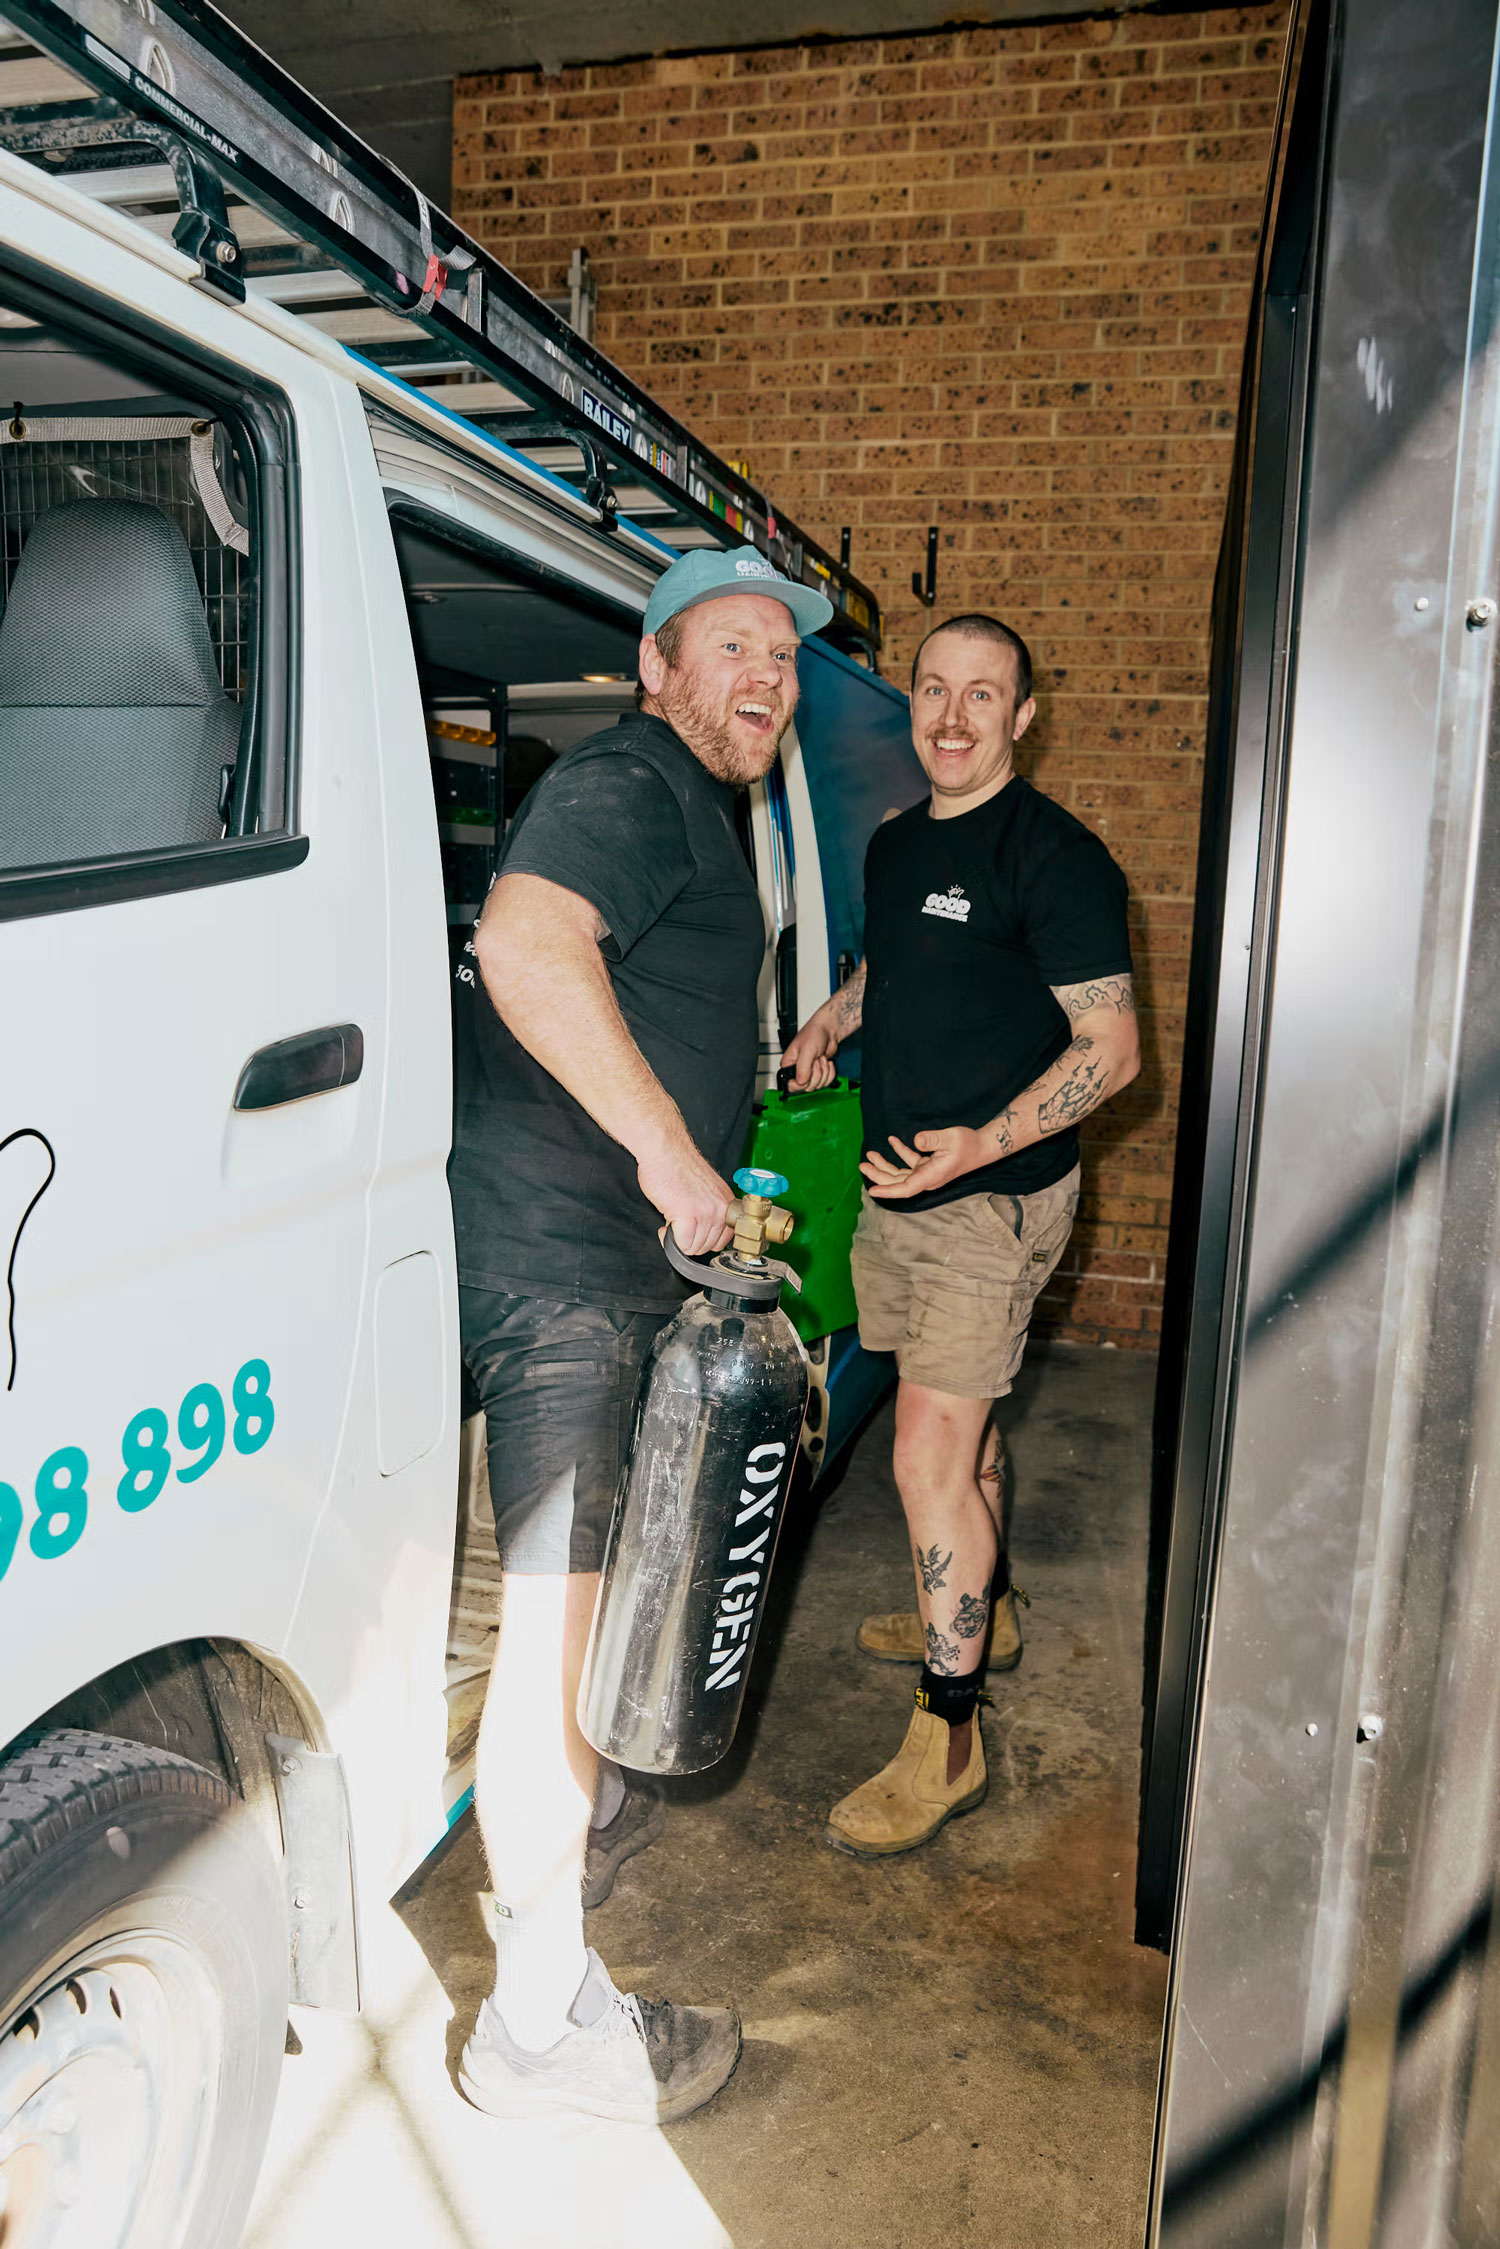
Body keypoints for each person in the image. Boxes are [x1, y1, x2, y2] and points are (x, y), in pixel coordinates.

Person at [449, 545, 832, 2117]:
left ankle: (555, 1845)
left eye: (783, 657)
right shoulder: (636, 778)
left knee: (546, 1639)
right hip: (572, 1286)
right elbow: (526, 945)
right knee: (556, 1653)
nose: (765, 673)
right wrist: (676, 1169)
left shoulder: (701, 809)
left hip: (571, 1264)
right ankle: (536, 2030)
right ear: (655, 667)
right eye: (730, 644)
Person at [780, 611, 1138, 1857]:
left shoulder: (1060, 859)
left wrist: (980, 1145)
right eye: (934, 688)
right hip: (899, 1185)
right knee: (966, 1430)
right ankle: (992, 1599)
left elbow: (1113, 1050)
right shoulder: (892, 843)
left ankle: (950, 1726)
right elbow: (896, 966)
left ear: (1022, 717)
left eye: (982, 694)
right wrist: (834, 1019)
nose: (951, 714)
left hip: (988, 1197)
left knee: (926, 1458)